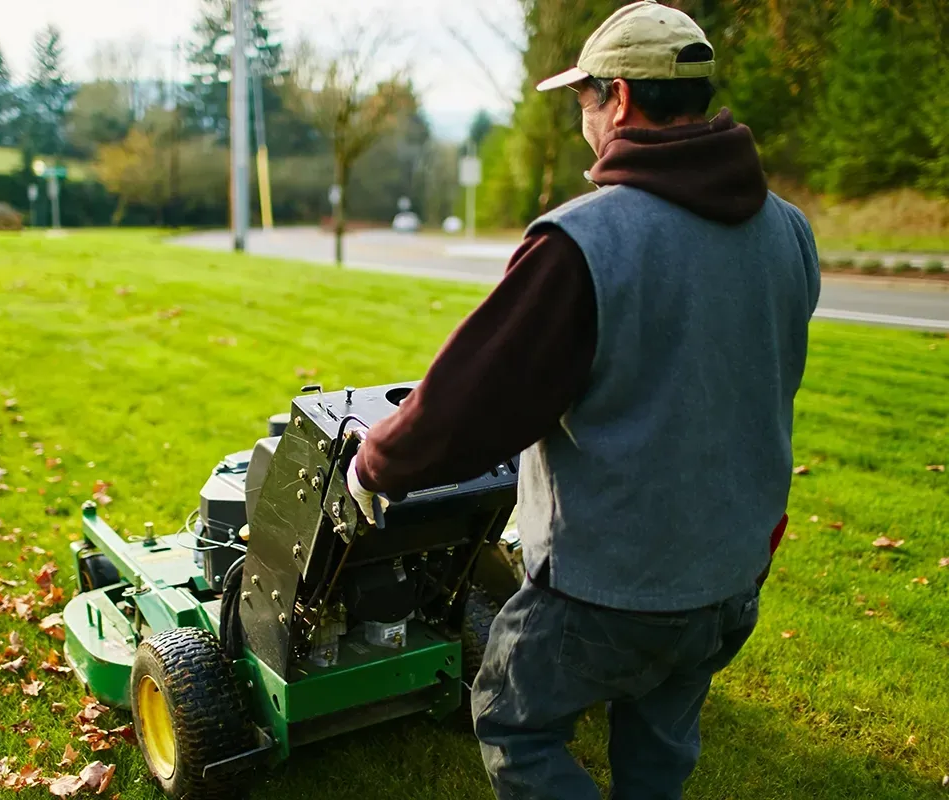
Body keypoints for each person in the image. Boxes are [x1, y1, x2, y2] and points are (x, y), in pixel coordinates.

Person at [343, 1, 821, 798]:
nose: (583, 122)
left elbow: (472, 400)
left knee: (512, 721)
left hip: (612, 586)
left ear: (621, 99)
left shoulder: (583, 242)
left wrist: (377, 464)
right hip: (733, 571)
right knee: (660, 737)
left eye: (583, 103)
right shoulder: (789, 230)